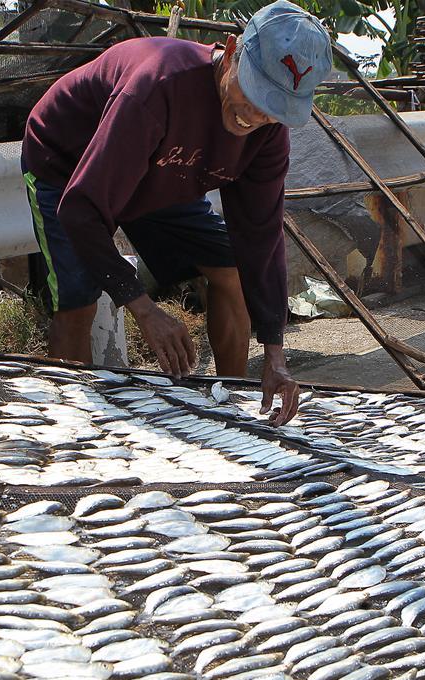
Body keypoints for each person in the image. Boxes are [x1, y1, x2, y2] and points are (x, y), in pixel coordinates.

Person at [21, 0, 332, 426]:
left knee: (232, 270)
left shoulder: (267, 133)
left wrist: (275, 351)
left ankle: (228, 402)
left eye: (275, 106)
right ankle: (72, 422)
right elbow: (80, 209)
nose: (254, 115)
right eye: (254, 91)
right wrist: (144, 309)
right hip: (69, 165)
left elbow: (259, 236)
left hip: (166, 168)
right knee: (78, 300)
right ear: (230, 50)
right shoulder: (159, 86)